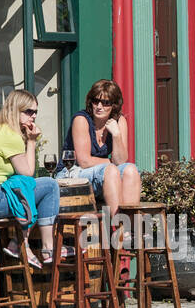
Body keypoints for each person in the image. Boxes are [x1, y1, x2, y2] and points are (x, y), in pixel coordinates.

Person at [0, 89, 61, 267]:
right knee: (50, 186)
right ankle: (48, 248)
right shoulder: (9, 135)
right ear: (15, 110)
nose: (33, 116)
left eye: (35, 111)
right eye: (28, 111)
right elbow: (28, 171)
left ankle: (18, 243)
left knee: (23, 187)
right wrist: (31, 141)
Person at [58, 79, 140, 218]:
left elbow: (121, 160)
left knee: (130, 170)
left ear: (114, 105)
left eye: (106, 102)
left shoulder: (119, 121)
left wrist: (117, 135)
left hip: (103, 175)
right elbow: (84, 161)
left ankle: (130, 228)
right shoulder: (81, 119)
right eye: (96, 101)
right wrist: (111, 164)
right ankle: (118, 229)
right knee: (111, 170)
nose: (99, 106)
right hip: (72, 174)